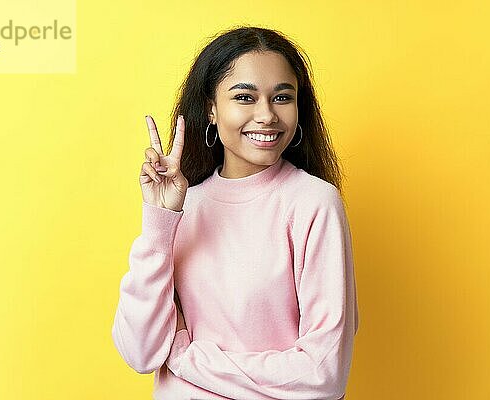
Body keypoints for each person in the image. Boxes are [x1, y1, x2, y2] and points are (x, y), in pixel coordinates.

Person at [111, 26, 359, 400]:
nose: (267, 115)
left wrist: (184, 357)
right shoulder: (183, 207)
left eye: (282, 97)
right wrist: (158, 223)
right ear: (211, 109)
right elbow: (141, 351)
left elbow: (323, 374)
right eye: (244, 97)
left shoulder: (313, 203)